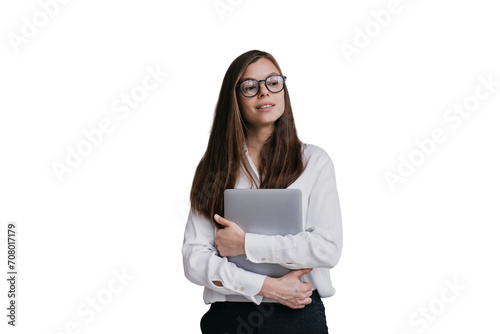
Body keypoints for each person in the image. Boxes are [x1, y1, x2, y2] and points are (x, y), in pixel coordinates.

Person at [182, 50, 343, 333]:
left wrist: (246, 245)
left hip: (298, 314)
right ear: (234, 98)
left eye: (273, 82)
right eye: (250, 87)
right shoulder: (214, 167)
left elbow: (326, 249)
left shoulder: (314, 162)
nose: (264, 93)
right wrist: (267, 287)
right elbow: (194, 260)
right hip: (228, 317)